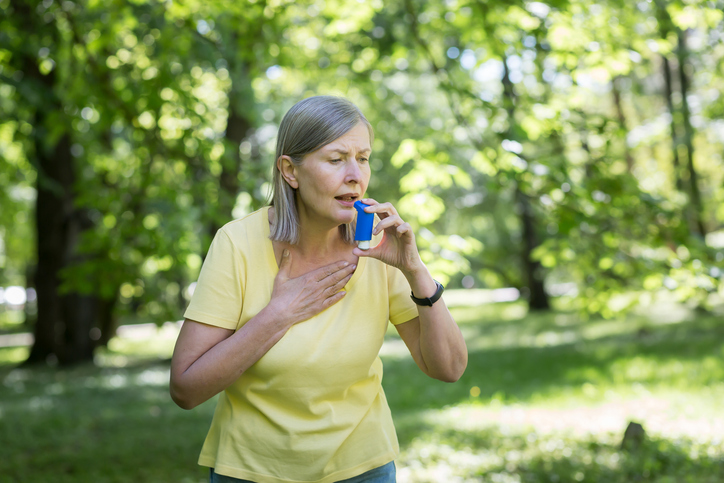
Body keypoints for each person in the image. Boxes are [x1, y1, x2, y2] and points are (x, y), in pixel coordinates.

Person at [170, 96, 468, 483]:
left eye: (363, 158)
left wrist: (415, 270)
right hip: (251, 471)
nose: (355, 175)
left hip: (363, 468)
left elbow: (449, 368)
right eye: (336, 159)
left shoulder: (378, 248)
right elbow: (186, 389)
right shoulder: (238, 243)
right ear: (290, 170)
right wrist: (279, 315)